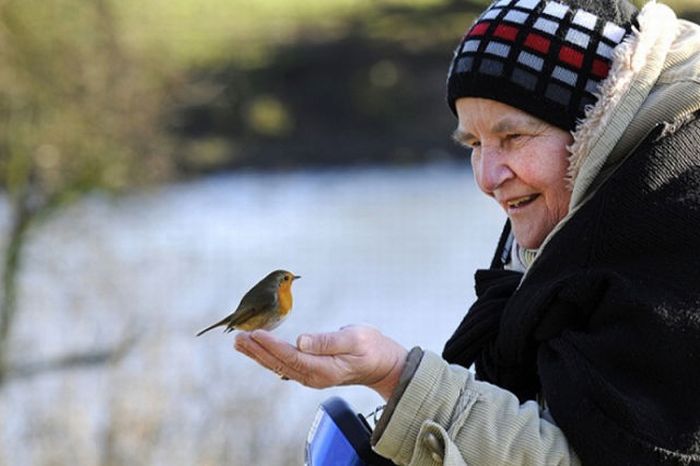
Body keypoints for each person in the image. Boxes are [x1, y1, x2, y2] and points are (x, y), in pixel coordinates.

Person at [235, 0, 700, 464]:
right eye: (475, 144)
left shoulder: (673, 237)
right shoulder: (569, 226)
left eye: (513, 137)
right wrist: (396, 388)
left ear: (594, 121)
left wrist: (403, 381)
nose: (487, 176)